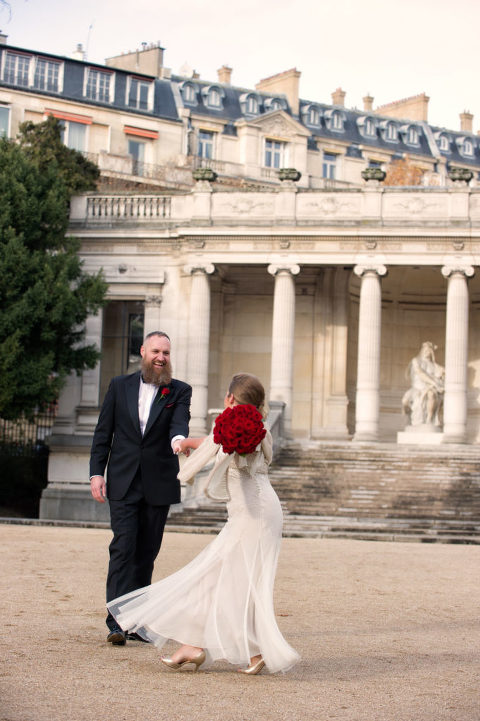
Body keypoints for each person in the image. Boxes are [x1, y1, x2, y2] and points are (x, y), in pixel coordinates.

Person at [107, 373, 300, 675]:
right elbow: (214, 443)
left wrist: (186, 444)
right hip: (253, 510)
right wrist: (186, 442)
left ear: (230, 399)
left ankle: (227, 649)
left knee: (224, 578)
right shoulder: (249, 427)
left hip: (254, 514)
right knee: (225, 579)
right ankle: (205, 648)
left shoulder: (245, 427)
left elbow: (218, 444)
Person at [90, 331, 192, 646]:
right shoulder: (119, 386)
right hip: (122, 480)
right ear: (143, 351)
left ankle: (137, 622)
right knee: (123, 546)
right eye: (156, 351)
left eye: (166, 353)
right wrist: (96, 473)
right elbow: (103, 431)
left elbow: (179, 424)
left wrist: (180, 442)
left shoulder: (180, 390)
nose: (161, 358)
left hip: (158, 483)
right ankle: (116, 622)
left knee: (146, 553)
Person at [402, 341, 445, 427]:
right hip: (418, 387)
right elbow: (420, 374)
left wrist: (443, 374)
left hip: (431, 388)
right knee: (407, 400)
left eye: (429, 351)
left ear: (432, 353)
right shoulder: (416, 361)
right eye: (425, 350)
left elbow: (442, 374)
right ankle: (412, 420)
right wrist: (434, 383)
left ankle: (429, 418)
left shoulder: (434, 365)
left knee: (432, 394)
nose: (427, 352)